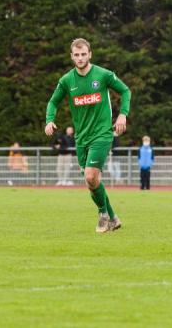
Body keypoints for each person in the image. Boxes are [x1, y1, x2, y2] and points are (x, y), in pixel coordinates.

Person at [45, 38, 131, 233]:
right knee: (92, 182)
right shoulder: (67, 80)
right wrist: (49, 119)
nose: (80, 58)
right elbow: (53, 102)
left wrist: (122, 115)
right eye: (76, 54)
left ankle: (102, 215)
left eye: (84, 54)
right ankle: (114, 217)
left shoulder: (103, 75)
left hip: (102, 134)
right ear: (72, 56)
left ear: (90, 54)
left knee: (91, 176)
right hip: (81, 138)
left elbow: (125, 91)